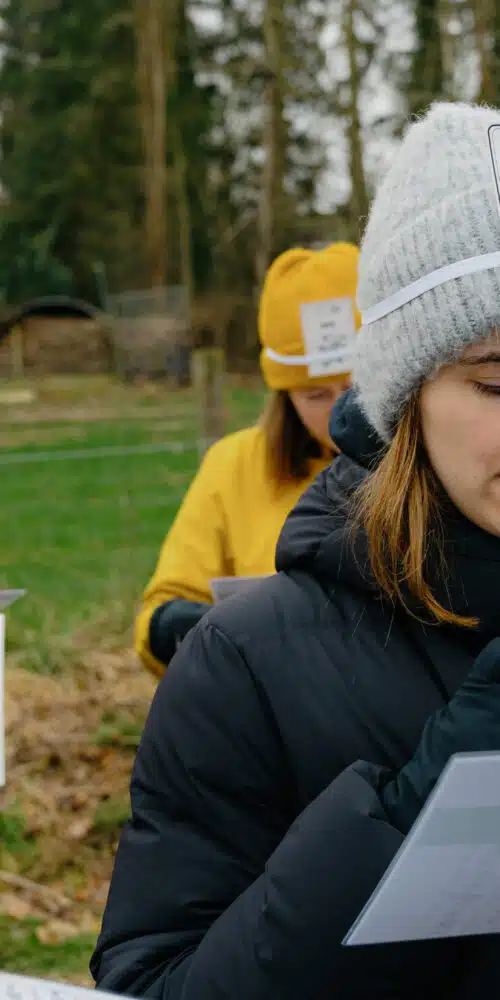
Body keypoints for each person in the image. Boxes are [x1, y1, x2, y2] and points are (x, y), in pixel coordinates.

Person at [92, 101, 500, 998]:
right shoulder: (246, 668)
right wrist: (412, 823)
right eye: (498, 384)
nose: (325, 407)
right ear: (399, 397)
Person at [135, 242, 360, 675]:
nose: (340, 410)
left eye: (356, 387)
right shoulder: (234, 466)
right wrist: (206, 633)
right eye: (315, 395)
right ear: (284, 396)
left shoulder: (439, 459)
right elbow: (156, 618)